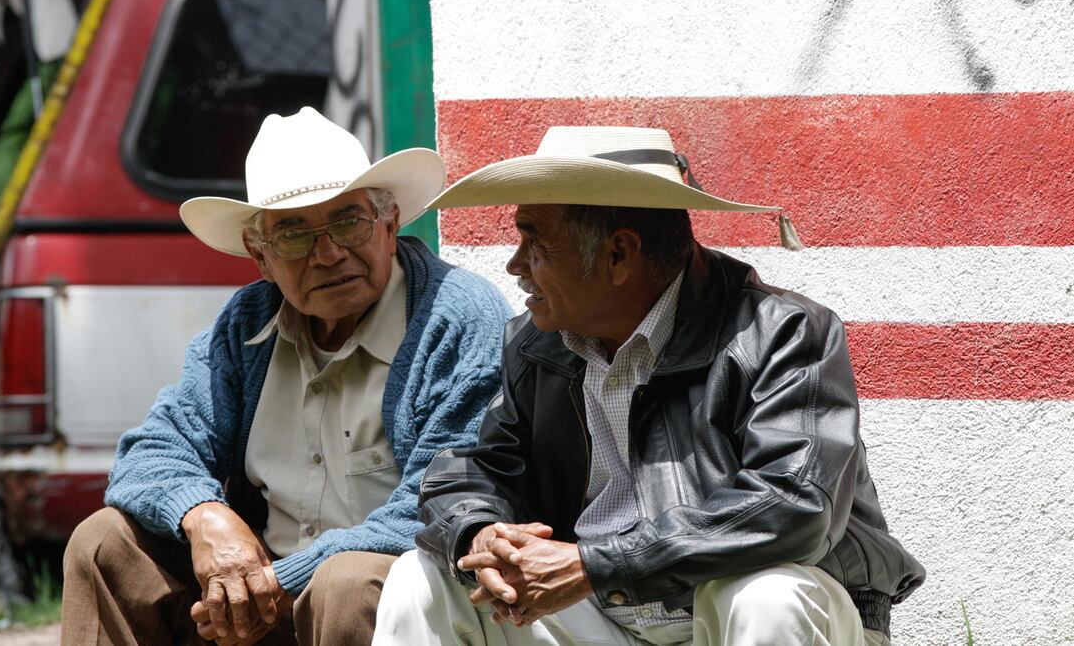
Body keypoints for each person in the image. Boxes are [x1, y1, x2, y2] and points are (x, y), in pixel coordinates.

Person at [375, 126, 925, 646]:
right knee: (420, 579)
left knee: (765, 596)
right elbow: (480, 471)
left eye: (534, 242)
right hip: (608, 613)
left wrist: (594, 565)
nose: (516, 264)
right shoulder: (536, 344)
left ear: (618, 254)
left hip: (751, 615)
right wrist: (481, 534)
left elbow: (794, 507)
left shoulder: (782, 332)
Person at [61, 107, 513, 645]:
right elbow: (151, 452)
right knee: (105, 542)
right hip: (256, 598)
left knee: (346, 583)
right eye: (295, 234)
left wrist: (273, 582)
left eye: (348, 221)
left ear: (390, 225)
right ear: (261, 256)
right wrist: (204, 516)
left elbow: (442, 504)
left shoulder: (457, 317)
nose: (329, 254)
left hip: (388, 603)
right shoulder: (246, 323)